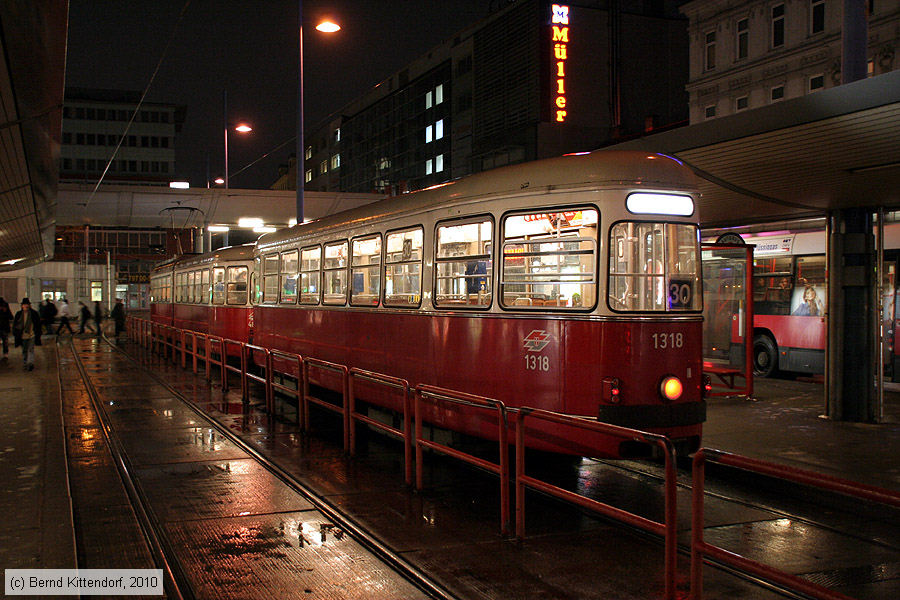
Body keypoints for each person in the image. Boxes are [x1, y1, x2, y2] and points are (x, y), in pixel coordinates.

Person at [12, 298, 42, 371]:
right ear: (22, 306)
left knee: (31, 349)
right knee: (24, 350)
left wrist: (38, 333)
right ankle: (25, 362)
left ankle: (30, 363)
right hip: (22, 336)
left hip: (32, 334)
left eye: (27, 304)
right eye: (24, 305)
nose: (26, 306)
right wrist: (15, 333)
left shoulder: (33, 314)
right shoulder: (19, 314)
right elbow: (15, 325)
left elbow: (38, 324)